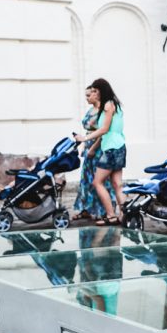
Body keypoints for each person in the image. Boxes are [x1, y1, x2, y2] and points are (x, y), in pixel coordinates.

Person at [75, 78, 126, 226]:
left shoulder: (108, 105)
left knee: (97, 182)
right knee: (117, 184)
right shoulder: (112, 104)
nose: (94, 93)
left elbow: (104, 129)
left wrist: (84, 138)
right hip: (119, 147)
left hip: (111, 148)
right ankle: (124, 215)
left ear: (102, 91)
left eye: (96, 91)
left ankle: (110, 216)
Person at [72, 86, 115, 221]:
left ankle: (102, 210)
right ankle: (86, 208)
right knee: (87, 179)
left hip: (98, 149)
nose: (86, 98)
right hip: (89, 146)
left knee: (99, 180)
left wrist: (92, 149)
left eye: (88, 95)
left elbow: (102, 133)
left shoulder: (103, 112)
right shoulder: (91, 110)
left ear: (97, 95)